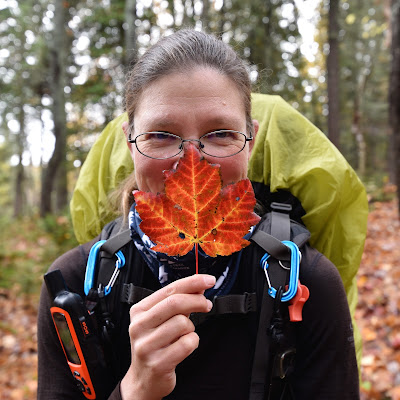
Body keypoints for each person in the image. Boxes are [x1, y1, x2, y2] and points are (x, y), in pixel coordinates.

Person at [37, 29, 360, 399]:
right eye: (161, 135)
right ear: (129, 141)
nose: (192, 161)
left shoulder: (306, 282)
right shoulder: (76, 286)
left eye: (220, 133)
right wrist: (136, 389)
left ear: (250, 141)